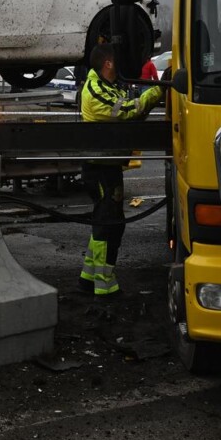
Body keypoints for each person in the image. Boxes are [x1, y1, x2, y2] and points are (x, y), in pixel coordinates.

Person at [78, 43, 163, 296]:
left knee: (108, 220)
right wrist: (157, 91)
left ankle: (88, 277)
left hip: (109, 165)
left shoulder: (109, 86)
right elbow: (124, 111)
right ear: (108, 63)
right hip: (100, 167)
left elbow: (131, 111)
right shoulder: (95, 89)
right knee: (109, 223)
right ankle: (104, 285)